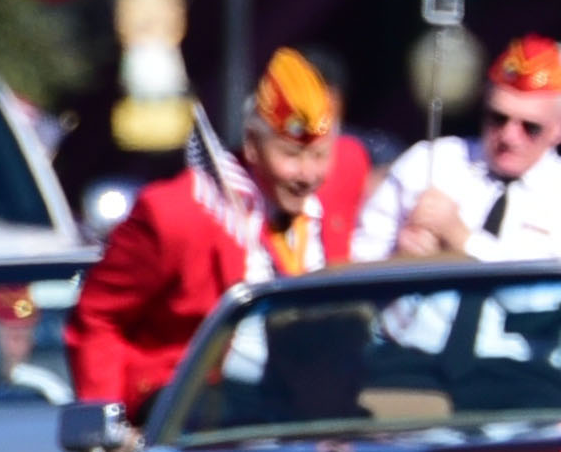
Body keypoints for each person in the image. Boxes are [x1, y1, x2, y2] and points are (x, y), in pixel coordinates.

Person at [68, 49, 388, 410]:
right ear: (252, 144)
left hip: (315, 412)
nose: (308, 175)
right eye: (291, 155)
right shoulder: (177, 214)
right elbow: (98, 317)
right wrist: (105, 425)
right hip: (202, 414)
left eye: (319, 155)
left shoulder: (348, 166)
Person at [385, 37, 561, 262]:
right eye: (498, 118)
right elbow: (359, 263)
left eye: (530, 127)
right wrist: (399, 257)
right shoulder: (429, 163)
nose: (509, 136)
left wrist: (463, 241)